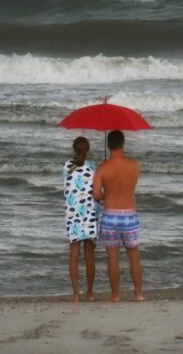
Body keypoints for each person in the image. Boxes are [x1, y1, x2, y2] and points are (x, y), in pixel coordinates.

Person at [93, 129, 144, 302]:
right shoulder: (134, 165)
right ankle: (138, 294)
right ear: (123, 144)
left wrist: (108, 194)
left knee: (113, 256)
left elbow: (96, 194)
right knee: (134, 256)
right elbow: (131, 186)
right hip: (129, 214)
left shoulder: (102, 168)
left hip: (110, 216)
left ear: (108, 145)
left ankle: (115, 295)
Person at [63, 136, 99, 302]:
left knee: (74, 254)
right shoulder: (92, 168)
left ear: (74, 149)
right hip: (90, 213)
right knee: (89, 255)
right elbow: (97, 193)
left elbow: (67, 189)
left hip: (72, 213)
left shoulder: (67, 167)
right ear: (88, 150)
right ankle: (90, 293)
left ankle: (76, 294)